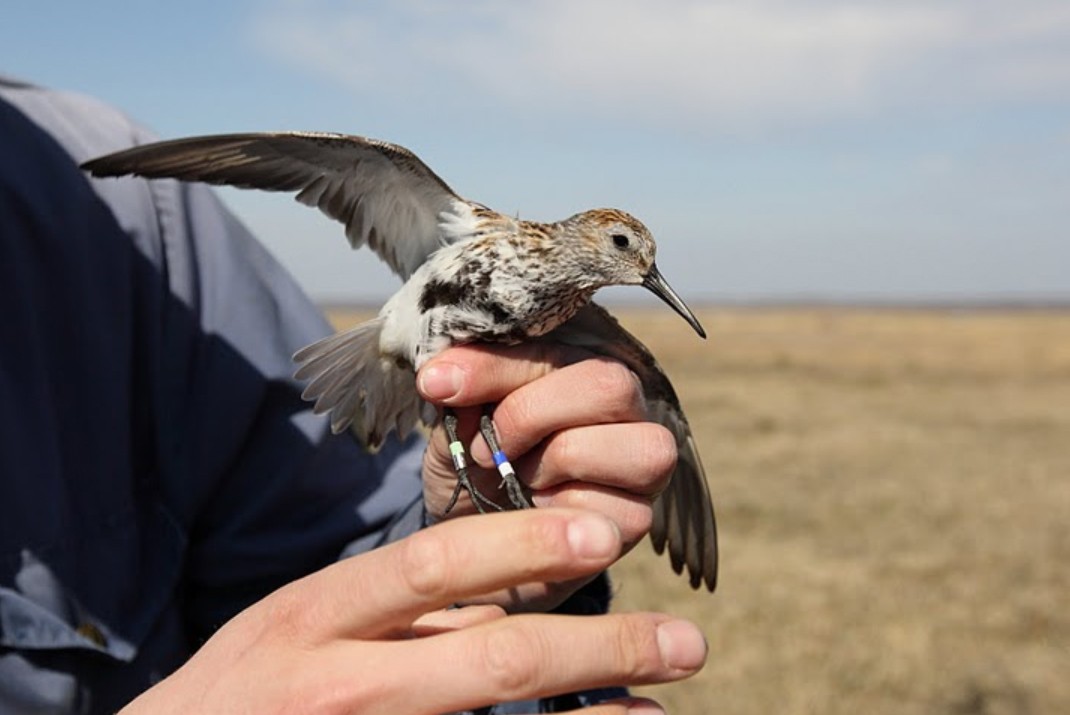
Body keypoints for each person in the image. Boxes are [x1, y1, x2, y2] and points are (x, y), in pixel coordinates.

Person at [0, 76, 706, 714]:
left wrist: (476, 559)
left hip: (442, 405)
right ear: (590, 236)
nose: (645, 273)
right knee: (372, 159)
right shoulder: (465, 223)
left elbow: (320, 549)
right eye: (624, 248)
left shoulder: (574, 309)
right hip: (397, 338)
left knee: (641, 385)